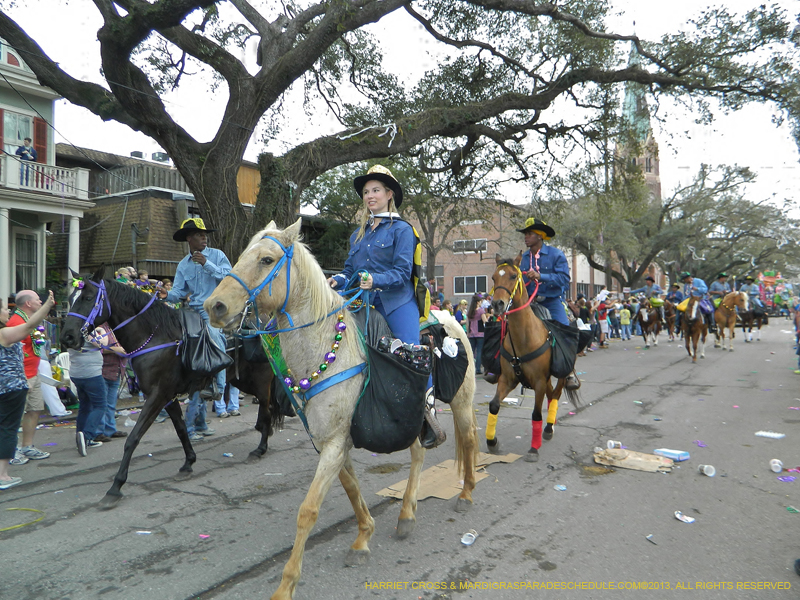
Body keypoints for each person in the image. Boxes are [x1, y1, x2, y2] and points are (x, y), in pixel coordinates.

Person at [328, 164, 444, 448]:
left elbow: (403, 273)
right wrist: (337, 280)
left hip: (396, 302)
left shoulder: (403, 230)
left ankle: (428, 415)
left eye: (376, 190)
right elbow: (349, 270)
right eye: (366, 191)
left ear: (389, 194)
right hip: (362, 303)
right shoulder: (358, 234)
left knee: (412, 353)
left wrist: (374, 279)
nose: (370, 195)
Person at [160, 217, 230, 442]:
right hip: (192, 312)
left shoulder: (217, 255)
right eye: (199, 235)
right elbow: (178, 293)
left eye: (204, 234)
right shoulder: (183, 265)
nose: (204, 237)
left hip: (215, 310)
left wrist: (206, 264)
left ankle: (218, 387)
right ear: (189, 239)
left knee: (214, 336)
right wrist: (166, 295)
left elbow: (229, 278)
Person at [0, 292, 54, 489]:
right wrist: (47, 305)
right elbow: (29, 327)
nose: (8, 311)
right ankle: (3, 475)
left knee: (26, 414)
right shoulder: (7, 331)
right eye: (4, 308)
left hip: (18, 381)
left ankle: (25, 448)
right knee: (8, 427)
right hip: (11, 386)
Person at [517, 217, 579, 388]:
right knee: (509, 328)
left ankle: (569, 372)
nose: (526, 237)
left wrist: (541, 276)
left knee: (564, 331)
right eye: (525, 234)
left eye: (529, 234)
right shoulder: (524, 257)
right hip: (529, 303)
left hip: (552, 301)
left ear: (540, 236)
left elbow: (564, 279)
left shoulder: (556, 254)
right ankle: (502, 368)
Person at [70, 327, 110, 456]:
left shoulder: (70, 332)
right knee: (100, 406)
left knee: (85, 406)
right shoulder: (85, 330)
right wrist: (102, 331)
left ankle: (81, 437)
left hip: (77, 373)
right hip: (91, 374)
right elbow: (103, 343)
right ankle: (87, 435)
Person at [97, 326, 128, 441]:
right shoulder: (98, 329)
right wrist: (115, 350)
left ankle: (110, 430)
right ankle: (99, 432)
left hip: (116, 371)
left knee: (111, 404)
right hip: (104, 370)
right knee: (101, 404)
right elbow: (97, 348)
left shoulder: (115, 328)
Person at [466, 293, 488, 373]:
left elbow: (467, 324)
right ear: (478, 302)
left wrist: (468, 333)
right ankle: (478, 369)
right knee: (479, 351)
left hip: (471, 334)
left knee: (471, 352)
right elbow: (485, 321)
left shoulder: (469, 312)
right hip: (480, 333)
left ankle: (470, 368)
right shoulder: (481, 311)